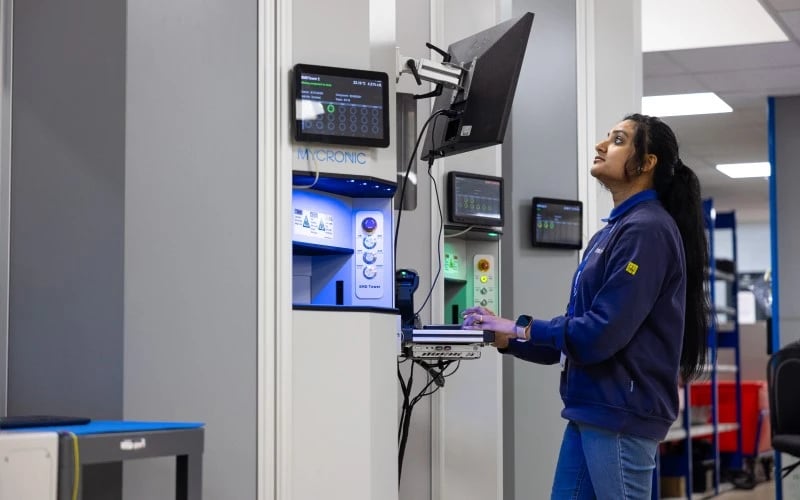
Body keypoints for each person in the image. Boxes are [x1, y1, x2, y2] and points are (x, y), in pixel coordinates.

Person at [462, 113, 709, 500]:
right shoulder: (611, 232)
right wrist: (505, 338)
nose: (600, 145)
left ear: (647, 163)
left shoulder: (647, 230)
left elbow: (600, 333)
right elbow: (578, 336)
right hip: (591, 408)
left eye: (618, 139)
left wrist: (519, 327)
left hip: (621, 415)